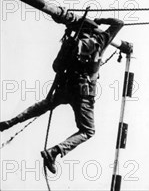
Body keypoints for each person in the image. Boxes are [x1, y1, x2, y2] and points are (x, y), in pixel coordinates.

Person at [0, 16, 131, 174]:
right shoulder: (100, 40)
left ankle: (11, 122)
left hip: (66, 87)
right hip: (84, 93)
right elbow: (119, 23)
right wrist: (100, 20)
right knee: (88, 131)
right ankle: (54, 152)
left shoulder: (70, 43)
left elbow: (56, 67)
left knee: (43, 105)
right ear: (92, 31)